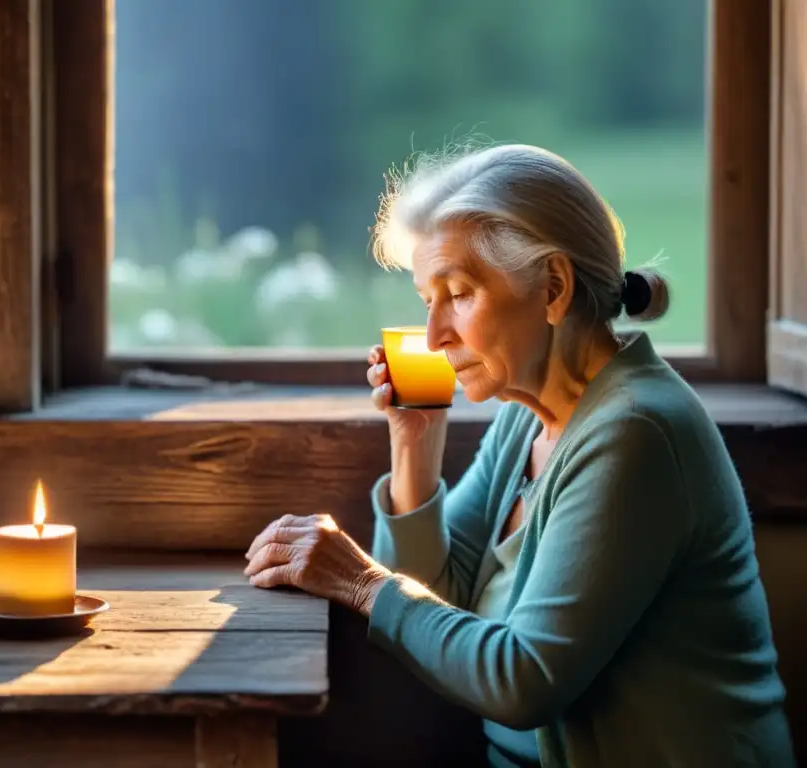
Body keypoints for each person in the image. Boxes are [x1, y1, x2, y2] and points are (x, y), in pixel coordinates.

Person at [243, 144, 795, 767]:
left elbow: (521, 680)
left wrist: (363, 582)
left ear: (553, 288)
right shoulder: (524, 416)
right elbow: (433, 600)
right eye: (429, 299)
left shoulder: (636, 433)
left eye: (459, 293)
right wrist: (415, 440)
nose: (433, 337)